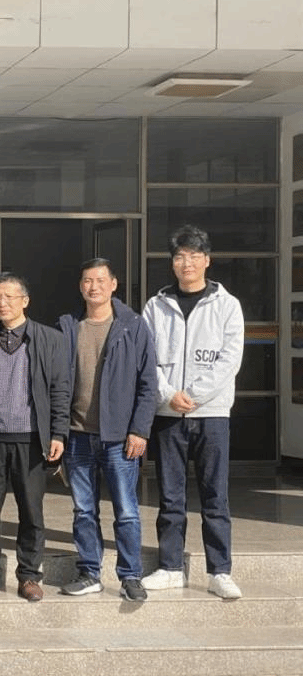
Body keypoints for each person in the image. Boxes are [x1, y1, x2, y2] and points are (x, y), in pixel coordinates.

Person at [142, 225, 245, 600]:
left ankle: (219, 571)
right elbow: (147, 357)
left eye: (194, 256)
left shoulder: (227, 305)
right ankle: (170, 567)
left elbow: (229, 360)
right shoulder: (156, 306)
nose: (187, 263)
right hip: (168, 415)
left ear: (207, 260)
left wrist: (195, 396)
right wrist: (169, 394)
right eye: (180, 256)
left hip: (212, 415)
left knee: (215, 496)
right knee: (170, 497)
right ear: (172, 263)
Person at [57, 259, 157, 602]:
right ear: (80, 286)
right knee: (83, 510)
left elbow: (148, 383)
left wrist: (139, 430)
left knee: (126, 511)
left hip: (120, 438)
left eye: (101, 280)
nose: (94, 286)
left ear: (114, 284)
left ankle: (130, 576)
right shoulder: (68, 325)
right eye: (88, 280)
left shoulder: (133, 326)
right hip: (77, 434)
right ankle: (89, 573)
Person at [0, 273, 69, 602]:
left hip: (30, 439)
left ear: (25, 301)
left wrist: (58, 432)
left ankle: (29, 575)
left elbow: (60, 390)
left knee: (31, 511)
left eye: (9, 297)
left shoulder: (49, 339)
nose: (2, 303)